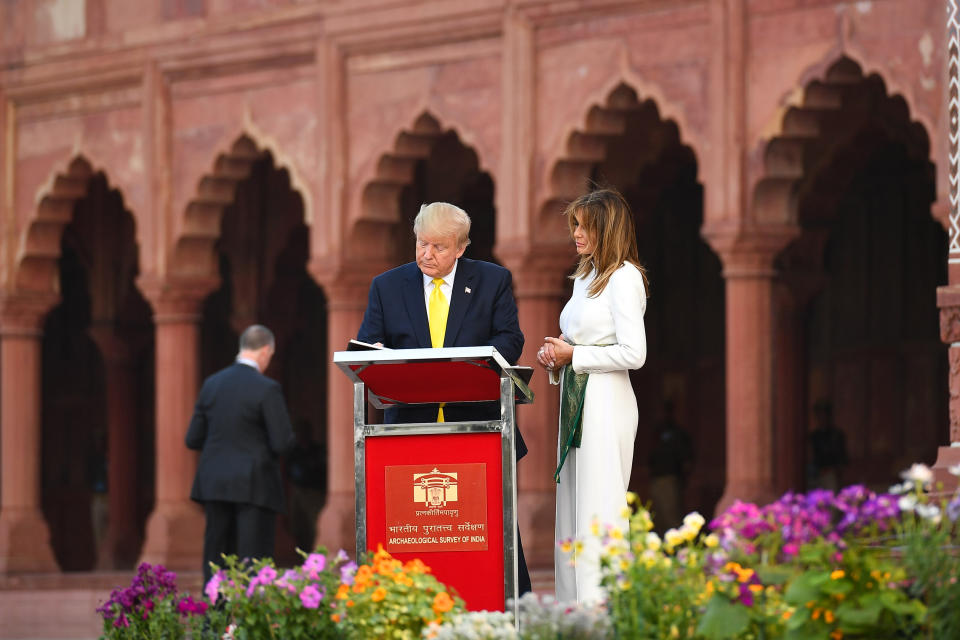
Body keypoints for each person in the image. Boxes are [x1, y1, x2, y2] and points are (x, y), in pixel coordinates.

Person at [357, 201, 531, 594]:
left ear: (461, 248)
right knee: (412, 528)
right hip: (408, 430)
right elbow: (368, 341)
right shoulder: (387, 285)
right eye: (420, 243)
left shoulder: (492, 280)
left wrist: (468, 363)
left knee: (486, 529)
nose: (426, 254)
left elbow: (511, 338)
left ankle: (505, 606)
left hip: (479, 428)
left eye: (437, 247)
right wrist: (377, 353)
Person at [537, 188, 648, 604]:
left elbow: (634, 354)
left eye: (583, 226)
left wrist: (575, 354)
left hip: (605, 402)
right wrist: (558, 352)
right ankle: (573, 610)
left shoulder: (624, 277)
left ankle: (603, 610)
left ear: (607, 228)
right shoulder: (586, 277)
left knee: (598, 506)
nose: (576, 234)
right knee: (571, 505)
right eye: (575, 226)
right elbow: (581, 338)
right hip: (575, 398)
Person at [186, 324, 296, 585]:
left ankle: (215, 624)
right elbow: (282, 442)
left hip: (214, 485)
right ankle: (249, 625)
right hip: (254, 487)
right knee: (253, 563)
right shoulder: (267, 388)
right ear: (266, 350)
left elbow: (193, 438)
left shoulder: (212, 384)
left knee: (215, 560)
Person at [648, 399, 694, 531]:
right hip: (656, 478)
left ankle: (677, 549)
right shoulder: (658, 431)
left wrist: (684, 481)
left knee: (672, 518)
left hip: (670, 479)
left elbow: (686, 461)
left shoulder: (678, 433)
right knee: (658, 518)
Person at [286, 421, 327, 552]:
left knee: (313, 524)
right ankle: (302, 554)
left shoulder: (317, 451)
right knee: (297, 526)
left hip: (313, 492)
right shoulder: (294, 451)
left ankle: (315, 555)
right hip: (297, 491)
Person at [808, 399, 848, 491]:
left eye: (823, 414)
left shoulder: (837, 435)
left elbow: (842, 459)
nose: (821, 418)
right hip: (815, 474)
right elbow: (812, 458)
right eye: (819, 415)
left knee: (830, 481)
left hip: (831, 474)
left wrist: (830, 470)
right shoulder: (814, 436)